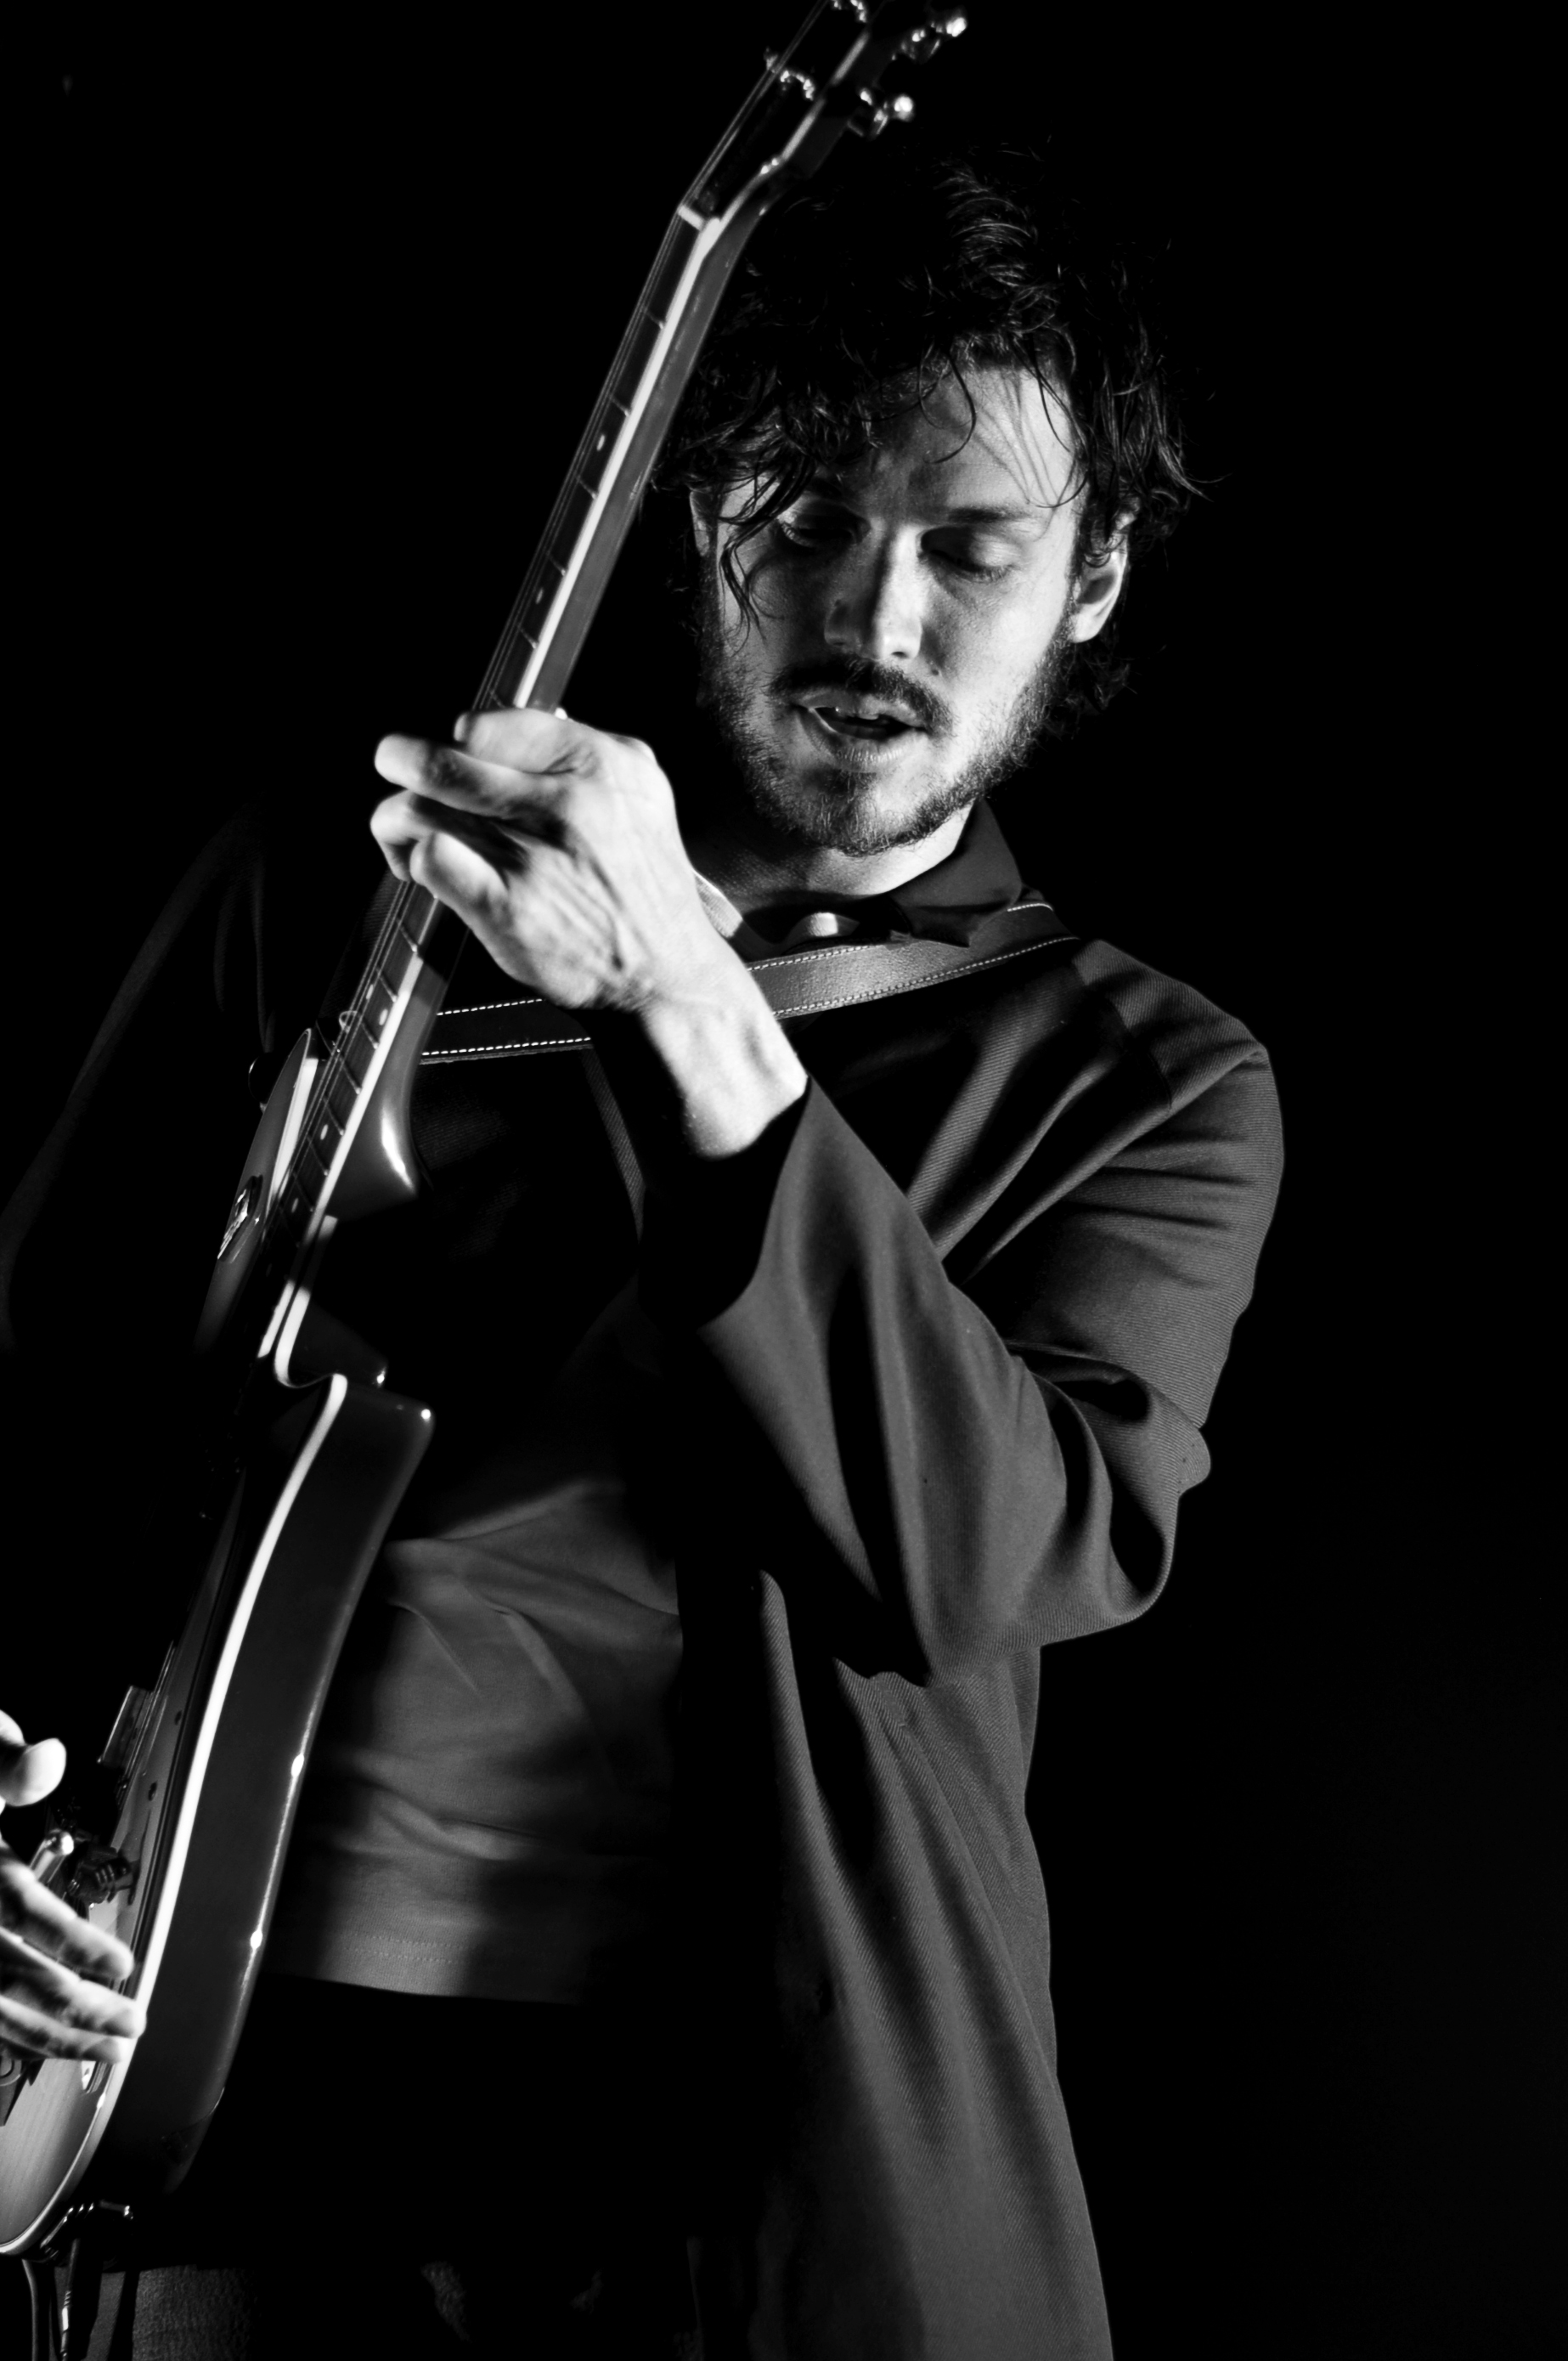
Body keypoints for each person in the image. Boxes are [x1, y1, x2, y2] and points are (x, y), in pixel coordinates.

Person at [0, 155, 1282, 2357]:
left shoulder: (1143, 1078)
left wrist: (683, 995)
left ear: (1095, 579)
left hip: (740, 2184)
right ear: (699, 514)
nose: (879, 617)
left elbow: (977, 1552)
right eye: (810, 518)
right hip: (209, 2116)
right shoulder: (344, 896)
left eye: (973, 545)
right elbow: (29, 1398)